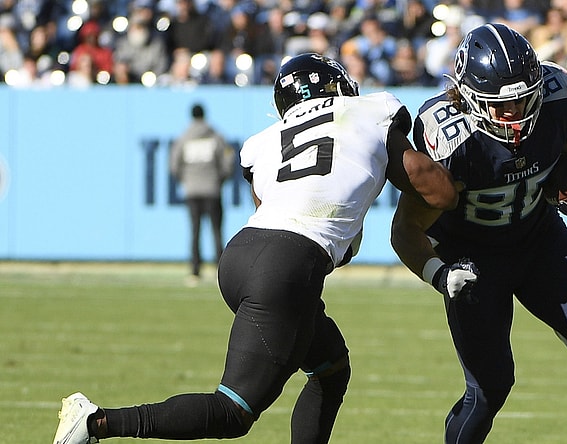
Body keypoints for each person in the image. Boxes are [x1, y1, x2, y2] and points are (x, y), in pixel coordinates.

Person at [52, 52, 458, 444]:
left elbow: (273, 209)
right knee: (233, 411)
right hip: (286, 267)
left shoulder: (264, 142)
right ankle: (97, 422)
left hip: (242, 255)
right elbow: (438, 192)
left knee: (331, 367)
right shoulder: (370, 111)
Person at [390, 23, 567, 443]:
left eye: (523, 100)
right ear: (467, 97)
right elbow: (406, 229)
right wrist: (439, 274)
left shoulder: (556, 99)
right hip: (472, 259)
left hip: (538, 238)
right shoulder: (450, 140)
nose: (515, 114)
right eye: (502, 106)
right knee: (490, 389)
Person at [169, 103, 234, 284]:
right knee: (216, 231)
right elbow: (228, 159)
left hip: (192, 191)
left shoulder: (184, 137)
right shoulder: (215, 136)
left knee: (195, 231)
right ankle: (220, 270)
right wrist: (219, 179)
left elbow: (174, 165)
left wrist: (187, 180)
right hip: (212, 190)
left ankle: (195, 271)